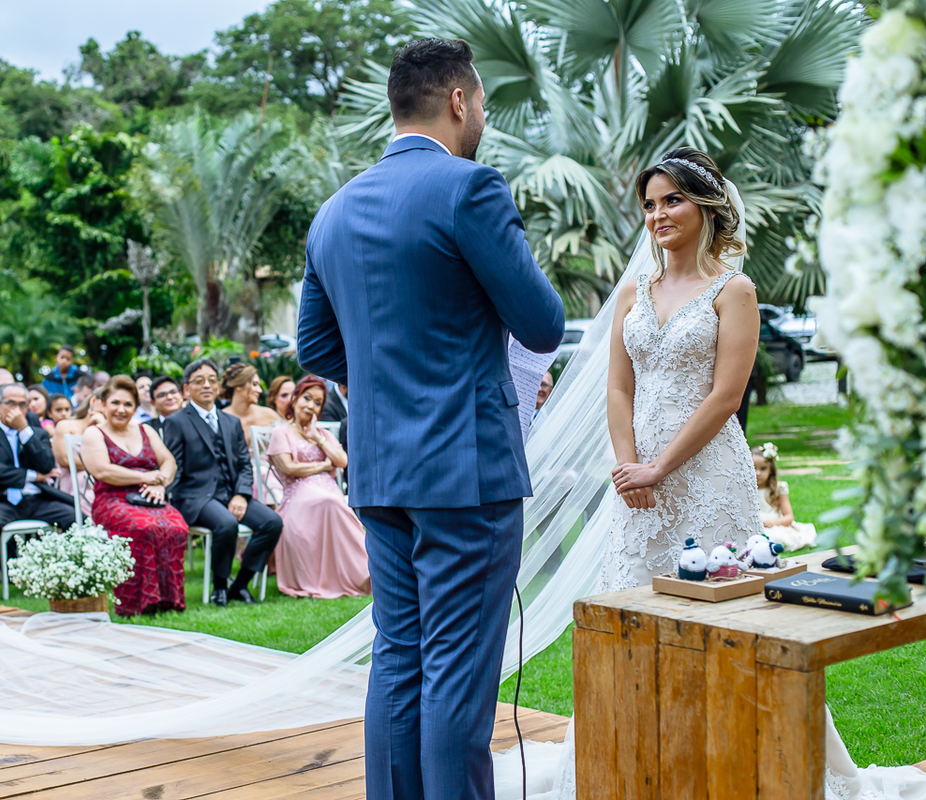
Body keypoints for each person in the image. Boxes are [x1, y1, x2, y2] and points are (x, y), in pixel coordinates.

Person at [296, 38, 564, 800]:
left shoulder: (335, 209)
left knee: (400, 657)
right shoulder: (469, 189)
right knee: (457, 671)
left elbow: (314, 345)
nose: (481, 116)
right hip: (466, 469)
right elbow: (543, 323)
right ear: (457, 101)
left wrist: (393, 378)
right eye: (480, 103)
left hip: (380, 469)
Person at [602, 147, 762, 588]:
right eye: (650, 206)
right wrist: (630, 468)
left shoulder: (734, 291)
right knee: (630, 607)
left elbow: (727, 397)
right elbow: (618, 389)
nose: (658, 215)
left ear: (707, 206)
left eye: (673, 200)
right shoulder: (632, 294)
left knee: (713, 611)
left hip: (708, 474)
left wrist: (659, 468)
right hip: (639, 483)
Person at [164, 359, 283, 606]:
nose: (206, 385)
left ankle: (239, 585)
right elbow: (173, 466)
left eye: (211, 380)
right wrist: (170, 503)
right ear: (186, 389)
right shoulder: (177, 422)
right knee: (226, 523)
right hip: (195, 497)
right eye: (199, 381)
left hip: (230, 493)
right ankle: (219, 586)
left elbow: (244, 466)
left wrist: (240, 495)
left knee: (272, 522)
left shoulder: (231, 422)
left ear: (219, 386)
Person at [83, 375, 188, 616]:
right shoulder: (94, 434)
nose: (121, 409)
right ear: (103, 404)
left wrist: (161, 483)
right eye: (115, 403)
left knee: (177, 527)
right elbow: (102, 470)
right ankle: (135, 602)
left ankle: (168, 600)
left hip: (149, 497)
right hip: (112, 500)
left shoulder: (146, 430)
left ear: (136, 407)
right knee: (142, 527)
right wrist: (145, 477)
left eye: (128, 404)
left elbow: (169, 461)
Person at [0, 383, 75, 603]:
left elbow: (46, 464)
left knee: (74, 517)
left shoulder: (35, 433)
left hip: (36, 499)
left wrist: (24, 431)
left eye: (22, 404)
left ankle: (71, 579)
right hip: (2, 500)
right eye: (11, 403)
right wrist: (30, 475)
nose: (17, 410)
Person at [267, 377, 369, 598]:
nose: (310, 405)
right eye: (307, 398)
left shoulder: (323, 434)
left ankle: (363, 572)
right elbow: (288, 467)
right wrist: (323, 465)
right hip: (298, 494)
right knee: (329, 502)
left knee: (332, 502)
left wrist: (318, 439)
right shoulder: (281, 432)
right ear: (294, 399)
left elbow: (342, 460)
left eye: (317, 402)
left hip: (328, 491)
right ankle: (324, 578)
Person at [752, 442, 816, 551]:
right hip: (755, 525)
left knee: (773, 537)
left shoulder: (778, 488)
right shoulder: (746, 490)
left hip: (774, 525)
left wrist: (773, 523)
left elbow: (789, 517)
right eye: (753, 468)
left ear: (771, 470)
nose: (758, 473)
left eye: (763, 469)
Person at [52, 393, 104, 518]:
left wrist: (103, 427)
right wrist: (101, 466)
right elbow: (65, 460)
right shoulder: (66, 425)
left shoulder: (109, 429)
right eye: (108, 402)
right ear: (93, 400)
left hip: (102, 484)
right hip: (74, 487)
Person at [220, 363, 281, 446]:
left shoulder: (269, 415)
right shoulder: (221, 419)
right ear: (238, 385)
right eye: (254, 384)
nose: (260, 390)